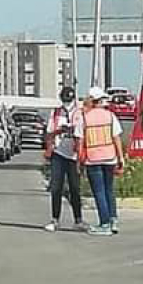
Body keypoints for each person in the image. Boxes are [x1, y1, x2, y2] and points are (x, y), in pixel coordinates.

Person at [76, 86, 126, 236]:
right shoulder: (110, 116)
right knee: (109, 190)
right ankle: (113, 220)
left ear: (91, 101)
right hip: (110, 157)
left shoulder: (84, 118)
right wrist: (121, 158)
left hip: (93, 159)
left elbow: (80, 141)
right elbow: (116, 138)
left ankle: (104, 224)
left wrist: (79, 162)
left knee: (99, 191)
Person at [43, 86, 85, 232]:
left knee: (74, 188)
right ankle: (55, 220)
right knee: (56, 188)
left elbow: (84, 132)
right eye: (65, 100)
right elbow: (48, 134)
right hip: (58, 153)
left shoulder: (80, 112)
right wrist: (59, 131)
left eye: (69, 100)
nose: (67, 103)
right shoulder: (56, 113)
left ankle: (78, 220)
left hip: (74, 155)